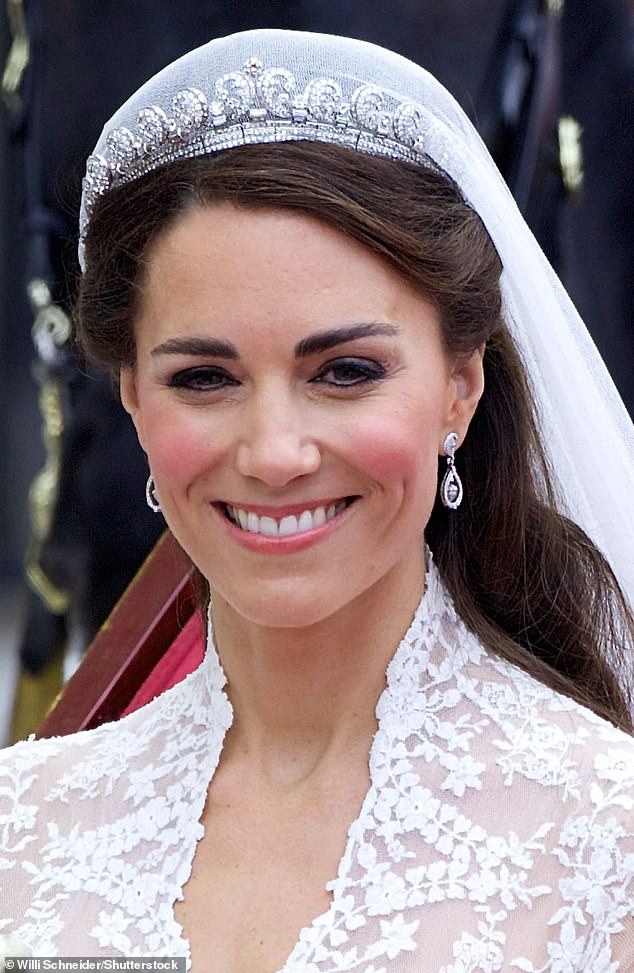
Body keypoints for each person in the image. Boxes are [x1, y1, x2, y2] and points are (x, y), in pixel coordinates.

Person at [1, 27, 634, 970]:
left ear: (460, 387)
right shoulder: (24, 826)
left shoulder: (605, 844)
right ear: (132, 396)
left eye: (344, 371)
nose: (275, 453)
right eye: (205, 379)